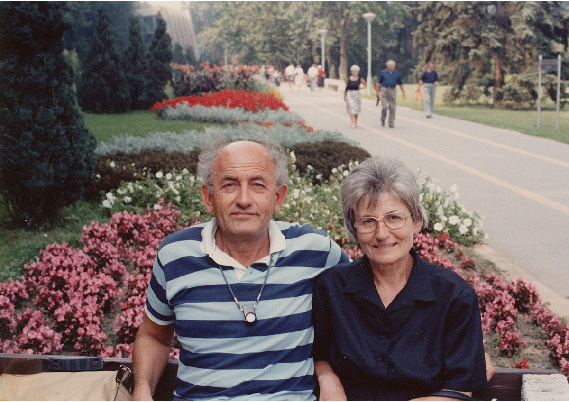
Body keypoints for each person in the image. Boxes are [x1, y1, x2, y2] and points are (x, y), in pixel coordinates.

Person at [132, 140, 349, 400]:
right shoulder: (175, 255)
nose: (243, 200)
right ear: (208, 197)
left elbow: (360, 314)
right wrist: (142, 390)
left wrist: (326, 372)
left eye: (257, 185)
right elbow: (154, 336)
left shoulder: (315, 252)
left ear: (278, 197)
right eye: (229, 185)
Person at [313, 156, 489, 401]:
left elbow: (459, 391)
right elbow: (317, 353)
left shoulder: (454, 295)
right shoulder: (331, 287)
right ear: (354, 229)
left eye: (393, 218)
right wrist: (327, 378)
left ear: (416, 221)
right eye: (368, 222)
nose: (382, 234)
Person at [375, 60, 406, 128]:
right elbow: (378, 83)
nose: (392, 67)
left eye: (393, 65)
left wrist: (403, 92)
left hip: (392, 90)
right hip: (384, 89)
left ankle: (391, 123)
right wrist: (377, 92)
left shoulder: (396, 74)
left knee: (392, 107)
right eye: (390, 65)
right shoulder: (383, 73)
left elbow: (400, 83)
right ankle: (383, 119)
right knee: (384, 106)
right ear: (388, 66)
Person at [344, 65, 366, 129]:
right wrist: (344, 96)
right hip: (350, 94)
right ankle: (352, 122)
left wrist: (361, 88)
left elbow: (365, 84)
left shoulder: (360, 79)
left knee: (356, 110)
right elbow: (346, 87)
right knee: (351, 109)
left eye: (356, 71)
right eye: (354, 71)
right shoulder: (348, 79)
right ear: (352, 72)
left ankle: (356, 121)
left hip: (357, 95)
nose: (355, 72)